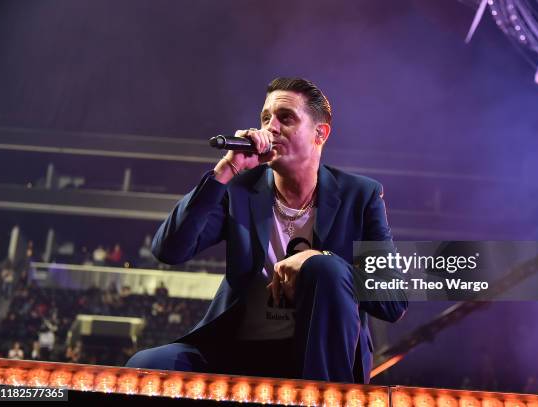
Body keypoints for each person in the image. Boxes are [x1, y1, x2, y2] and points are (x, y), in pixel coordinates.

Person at [126, 77, 407, 383]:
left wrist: (320, 258)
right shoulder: (241, 190)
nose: (270, 127)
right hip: (237, 352)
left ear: (319, 134)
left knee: (324, 268)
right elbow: (169, 250)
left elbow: (392, 301)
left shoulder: (360, 195)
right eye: (265, 118)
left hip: (314, 359)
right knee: (148, 365)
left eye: (285, 118)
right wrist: (226, 170)